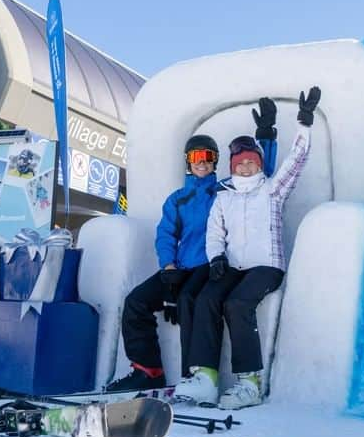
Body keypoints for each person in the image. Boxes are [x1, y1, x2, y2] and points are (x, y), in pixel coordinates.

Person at [104, 114, 278, 393]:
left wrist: (266, 137)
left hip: (208, 266)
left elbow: (258, 172)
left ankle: (192, 376)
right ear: (188, 160)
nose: (203, 162)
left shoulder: (225, 190)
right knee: (136, 301)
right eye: (197, 156)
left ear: (216, 161)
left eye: (209, 156)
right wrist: (168, 266)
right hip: (179, 268)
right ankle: (147, 370)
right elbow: (166, 234)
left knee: (188, 302)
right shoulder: (178, 198)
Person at [173, 86, 320, 410]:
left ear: (259, 164)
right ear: (232, 166)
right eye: (239, 163)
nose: (245, 167)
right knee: (207, 298)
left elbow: (296, 162)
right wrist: (216, 259)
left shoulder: (272, 190)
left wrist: (304, 124)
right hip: (233, 266)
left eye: (251, 162)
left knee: (238, 304)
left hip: (266, 267)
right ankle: (206, 377)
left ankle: (249, 382)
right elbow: (214, 233)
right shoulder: (223, 196)